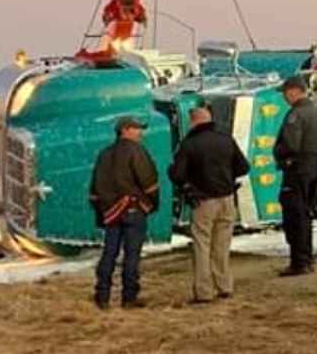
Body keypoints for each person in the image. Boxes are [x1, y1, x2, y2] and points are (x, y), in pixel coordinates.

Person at [168, 104, 250, 304]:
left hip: (203, 200)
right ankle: (225, 286)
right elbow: (244, 167)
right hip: (228, 197)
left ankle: (204, 292)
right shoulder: (225, 139)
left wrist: (178, 175)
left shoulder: (189, 144)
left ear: (193, 121)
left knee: (202, 244)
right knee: (222, 245)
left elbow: (177, 174)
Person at [88, 115, 160, 310]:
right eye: (138, 129)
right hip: (134, 209)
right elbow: (149, 181)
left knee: (109, 253)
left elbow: (95, 187)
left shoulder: (104, 154)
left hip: (111, 212)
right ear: (126, 129)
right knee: (132, 255)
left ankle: (102, 296)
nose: (141, 133)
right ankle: (129, 298)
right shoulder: (137, 151)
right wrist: (153, 203)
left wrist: (100, 210)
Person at [273, 74, 317, 277]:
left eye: (285, 93)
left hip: (296, 171)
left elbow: (290, 144)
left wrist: (278, 152)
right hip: (313, 168)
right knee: (306, 215)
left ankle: (299, 262)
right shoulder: (316, 114)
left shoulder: (295, 115)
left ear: (294, 91)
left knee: (294, 217)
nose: (284, 98)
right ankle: (307, 258)